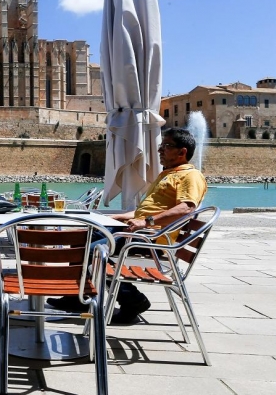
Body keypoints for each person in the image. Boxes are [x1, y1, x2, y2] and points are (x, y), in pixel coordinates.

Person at [48, 128, 207, 324]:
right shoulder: (167, 174)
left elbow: (186, 209)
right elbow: (144, 212)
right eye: (160, 146)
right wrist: (119, 217)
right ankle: (78, 297)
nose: (160, 151)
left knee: (92, 251)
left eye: (166, 146)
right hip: (139, 231)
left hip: (150, 238)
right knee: (81, 239)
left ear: (182, 152)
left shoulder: (190, 176)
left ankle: (133, 300)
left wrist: (145, 222)